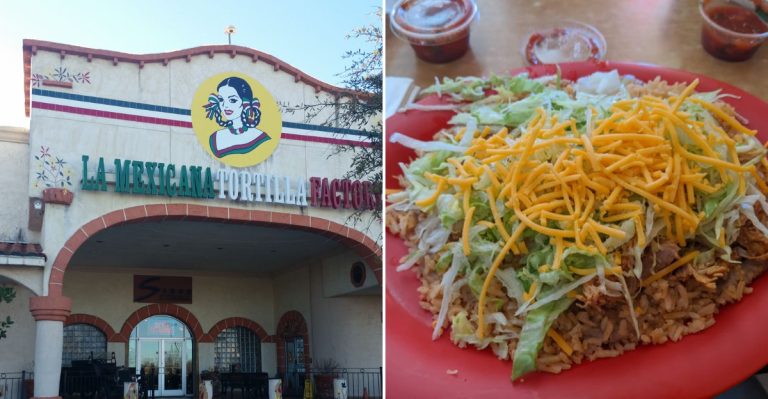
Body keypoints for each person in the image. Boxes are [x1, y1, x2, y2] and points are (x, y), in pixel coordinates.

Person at [203, 77, 270, 158]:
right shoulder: (215, 138)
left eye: (232, 100)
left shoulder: (260, 137)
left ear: (246, 102)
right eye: (221, 100)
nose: (225, 105)